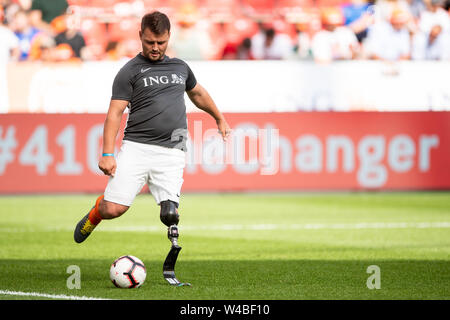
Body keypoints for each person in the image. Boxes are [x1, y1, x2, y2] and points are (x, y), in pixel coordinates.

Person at [73, 11, 230, 283]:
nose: (155, 48)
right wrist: (108, 153)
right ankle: (96, 212)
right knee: (113, 210)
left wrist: (219, 118)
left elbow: (198, 93)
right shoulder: (129, 71)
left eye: (160, 42)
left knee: (170, 215)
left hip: (172, 152)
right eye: (149, 42)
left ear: (168, 37)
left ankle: (170, 255)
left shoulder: (180, 67)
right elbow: (114, 113)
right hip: (136, 148)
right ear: (140, 37)